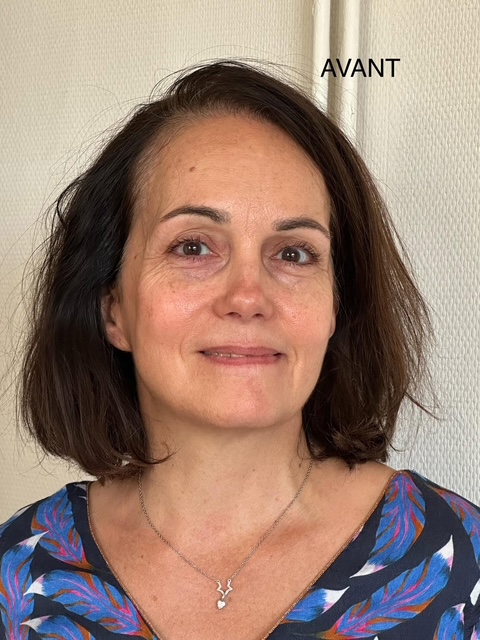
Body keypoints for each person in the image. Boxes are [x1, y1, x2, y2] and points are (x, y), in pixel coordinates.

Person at [0, 59, 479, 640]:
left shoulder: (462, 562)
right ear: (112, 309)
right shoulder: (15, 577)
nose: (248, 297)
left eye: (294, 253)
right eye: (193, 247)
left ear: (336, 307)